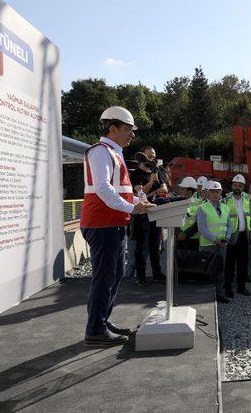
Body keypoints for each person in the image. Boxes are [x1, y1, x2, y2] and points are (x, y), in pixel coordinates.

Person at [81, 106, 154, 346]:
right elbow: (103, 189)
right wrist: (132, 208)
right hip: (102, 224)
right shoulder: (101, 152)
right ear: (112, 128)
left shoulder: (115, 152)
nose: (132, 134)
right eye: (128, 129)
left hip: (112, 222)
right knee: (105, 277)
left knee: (114, 275)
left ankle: (102, 321)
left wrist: (139, 202)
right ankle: (95, 330)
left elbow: (120, 191)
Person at [130, 146, 168, 286]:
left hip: (156, 212)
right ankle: (140, 277)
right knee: (142, 246)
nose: (152, 159)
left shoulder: (156, 170)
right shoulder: (136, 174)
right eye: (149, 156)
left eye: (154, 156)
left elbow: (164, 189)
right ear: (142, 157)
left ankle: (157, 273)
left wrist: (152, 192)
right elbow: (139, 194)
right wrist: (151, 183)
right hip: (142, 213)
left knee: (155, 245)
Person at [198, 181, 231, 304]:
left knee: (220, 270)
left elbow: (229, 226)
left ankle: (219, 294)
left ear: (221, 193)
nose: (215, 194)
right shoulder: (202, 208)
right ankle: (206, 297)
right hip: (208, 245)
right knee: (207, 271)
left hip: (222, 245)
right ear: (208, 193)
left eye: (217, 192)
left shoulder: (226, 208)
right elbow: (202, 228)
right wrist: (214, 240)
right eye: (212, 192)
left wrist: (227, 238)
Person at [223, 174, 251, 297]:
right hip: (231, 237)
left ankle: (241, 287)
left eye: (240, 185)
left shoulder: (247, 200)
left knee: (243, 263)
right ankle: (228, 288)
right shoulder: (225, 200)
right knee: (229, 264)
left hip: (244, 236)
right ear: (232, 186)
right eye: (235, 185)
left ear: (243, 187)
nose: (237, 187)